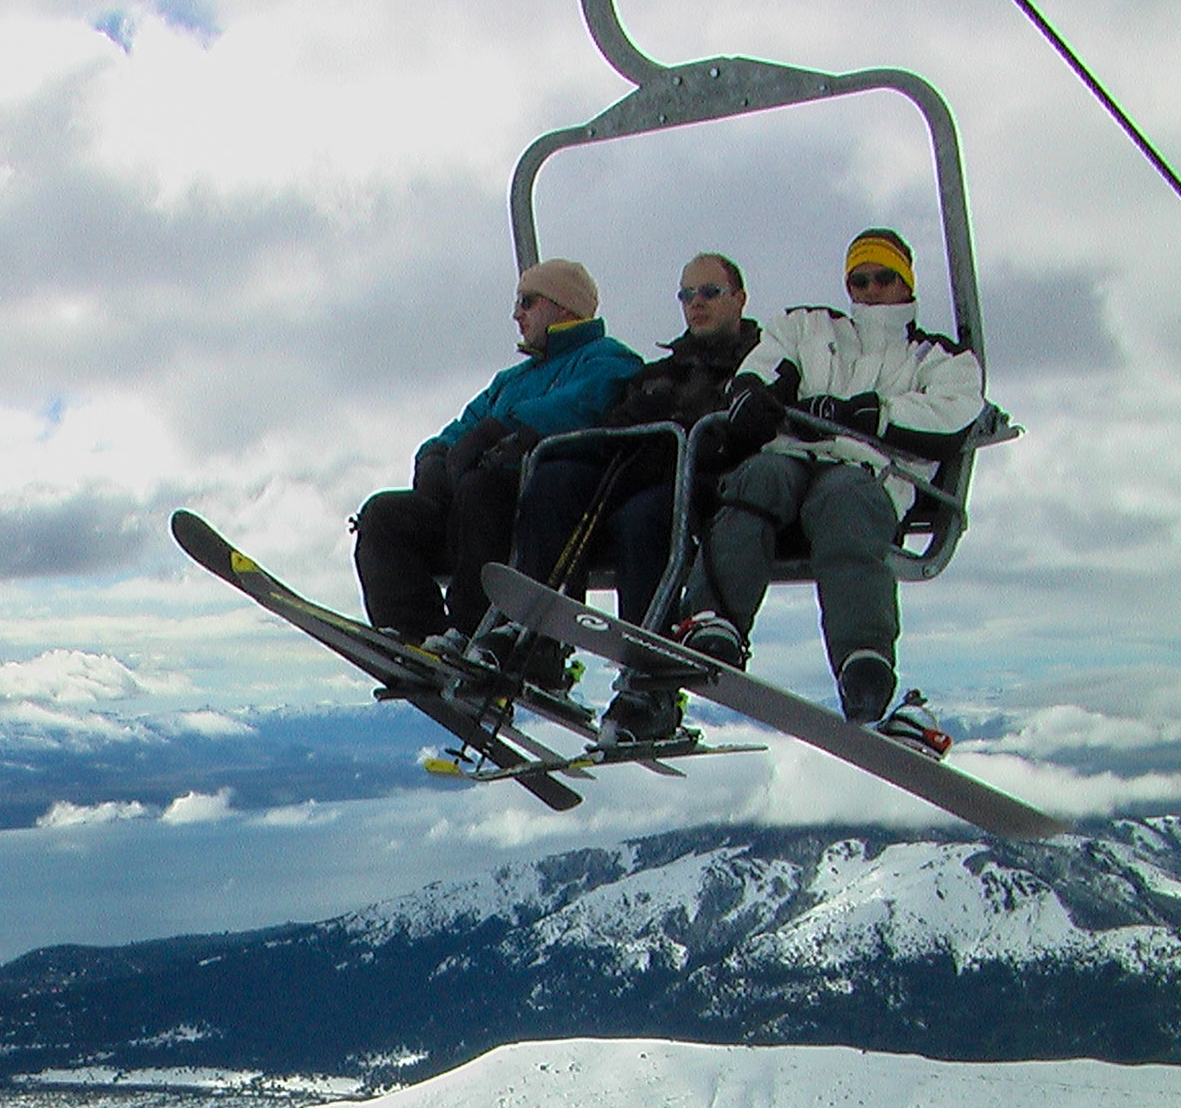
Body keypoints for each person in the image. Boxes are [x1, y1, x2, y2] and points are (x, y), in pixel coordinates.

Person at [673, 228, 985, 727]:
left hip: (873, 471)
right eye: (859, 280)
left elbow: (952, 413)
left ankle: (863, 658)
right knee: (757, 479)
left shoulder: (935, 357)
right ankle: (715, 621)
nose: (870, 290)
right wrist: (752, 394)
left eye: (884, 279)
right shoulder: (810, 328)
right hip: (796, 454)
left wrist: (871, 415)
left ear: (906, 283)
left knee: (844, 503)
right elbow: (767, 362)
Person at [485, 253, 773, 737]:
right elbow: (616, 422)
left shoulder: (760, 364)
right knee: (556, 476)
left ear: (739, 299)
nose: (696, 304)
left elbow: (756, 425)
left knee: (643, 520)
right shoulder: (663, 372)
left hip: (711, 483)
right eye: (687, 295)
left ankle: (648, 684)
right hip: (646, 470)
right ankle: (543, 636)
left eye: (709, 293)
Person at [353, 259, 641, 657]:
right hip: (473, 507)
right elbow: (463, 424)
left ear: (562, 306)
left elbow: (581, 406)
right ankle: (413, 632)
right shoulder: (513, 379)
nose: (516, 314)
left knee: (481, 490)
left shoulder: (607, 360)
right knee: (385, 516)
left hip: (530, 508)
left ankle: (473, 629)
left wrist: (504, 431)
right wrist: (435, 458)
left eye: (527, 302)